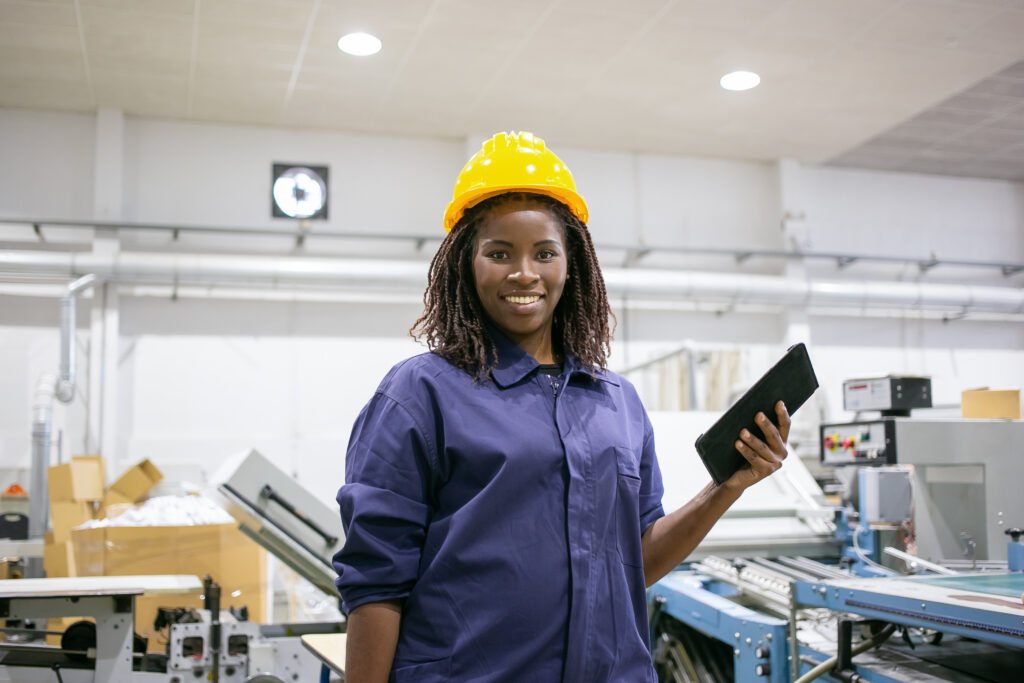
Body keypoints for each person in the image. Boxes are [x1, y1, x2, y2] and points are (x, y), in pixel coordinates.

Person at [333, 132, 790, 683]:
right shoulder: (419, 394)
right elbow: (377, 581)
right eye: (499, 253)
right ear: (465, 264)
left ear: (571, 265)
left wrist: (727, 487)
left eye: (544, 253)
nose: (524, 272)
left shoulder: (616, 402)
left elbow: (636, 561)